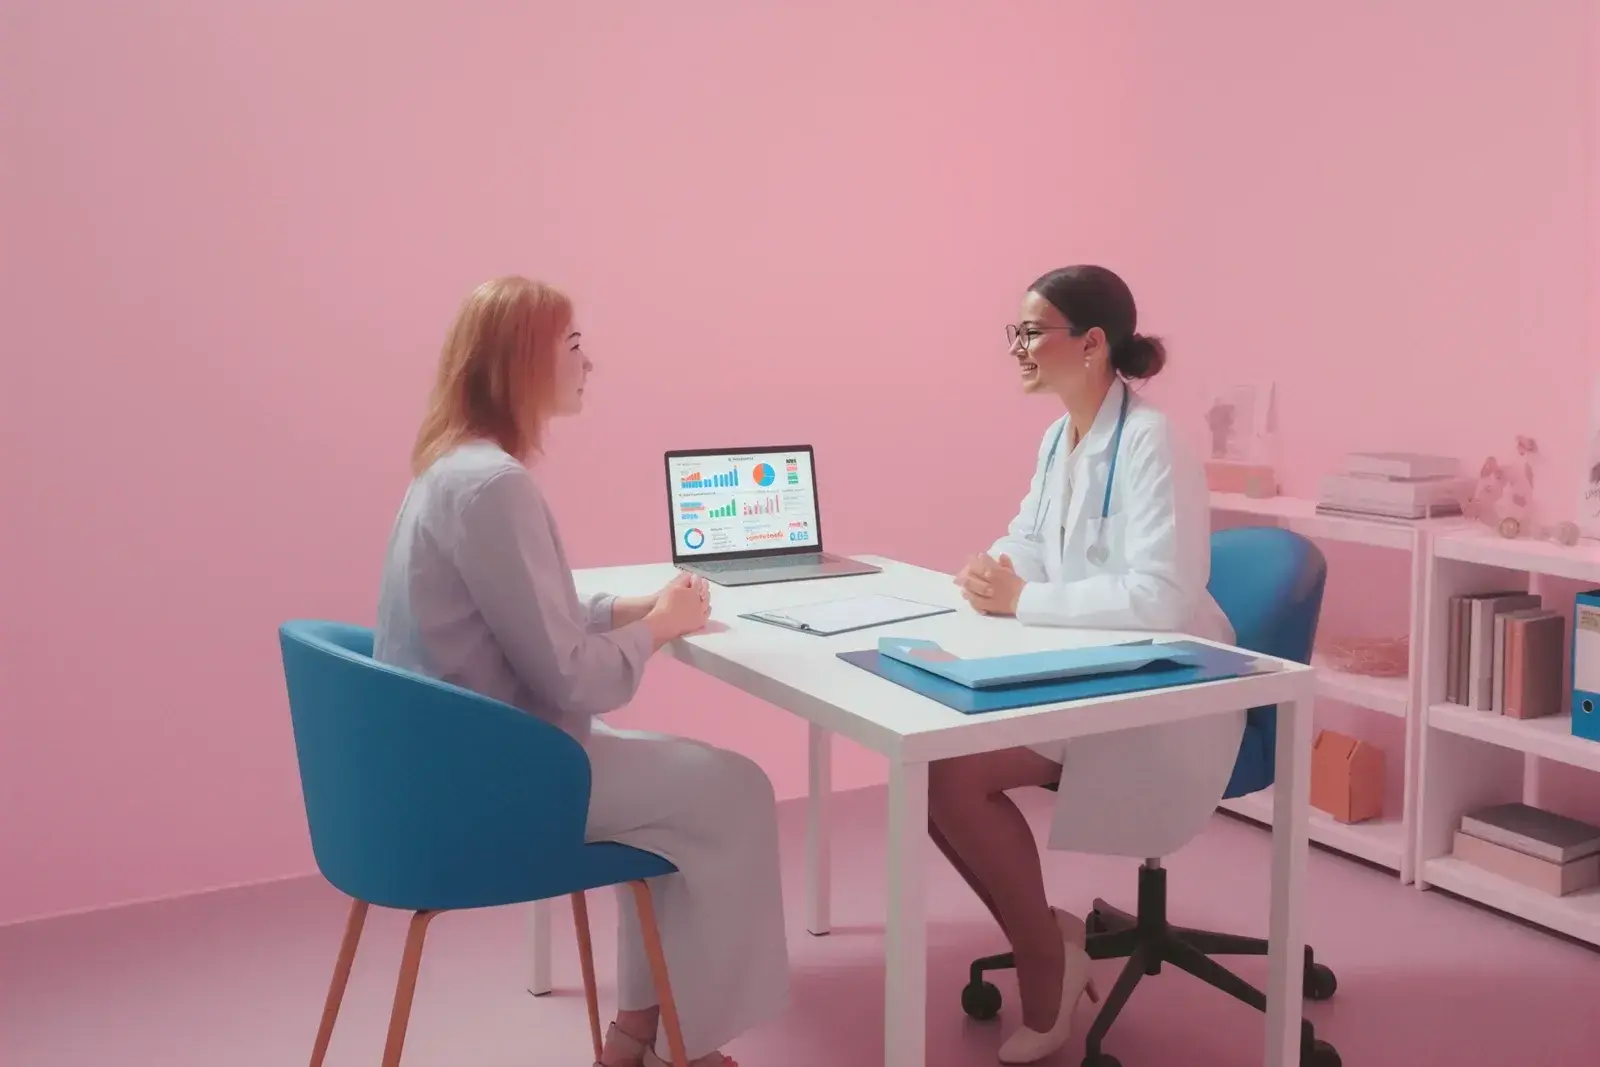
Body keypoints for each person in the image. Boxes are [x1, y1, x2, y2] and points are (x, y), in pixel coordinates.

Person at [372, 276, 789, 1067]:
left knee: (685, 795)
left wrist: (631, 606)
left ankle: (639, 1032)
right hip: (505, 780)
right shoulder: (496, 486)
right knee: (734, 789)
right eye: (571, 346)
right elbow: (570, 678)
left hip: (446, 767)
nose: (588, 363)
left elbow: (527, 613)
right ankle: (688, 1048)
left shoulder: (449, 470)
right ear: (523, 361)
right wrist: (659, 627)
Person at [939, 266, 1242, 1064]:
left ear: (1092, 342)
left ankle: (1045, 957)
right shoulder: (1060, 436)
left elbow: (1164, 595)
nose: (1017, 347)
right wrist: (997, 568)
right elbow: (1032, 537)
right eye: (1015, 332)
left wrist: (1025, 600)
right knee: (934, 769)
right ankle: (1049, 941)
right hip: (1089, 668)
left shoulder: (1151, 443)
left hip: (1163, 691)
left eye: (1031, 332)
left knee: (953, 776)